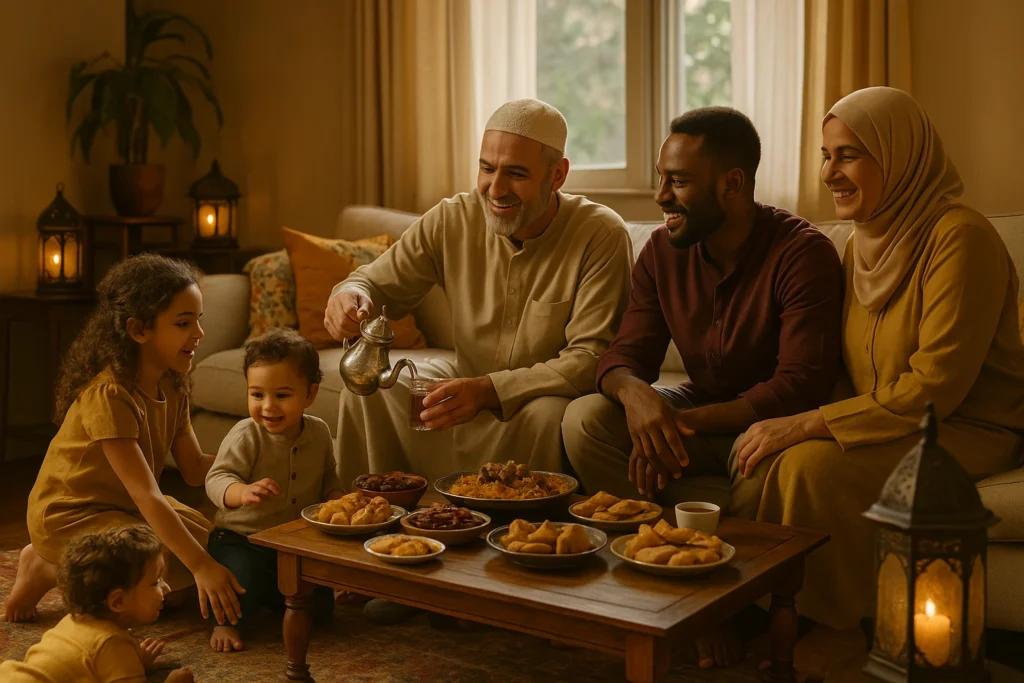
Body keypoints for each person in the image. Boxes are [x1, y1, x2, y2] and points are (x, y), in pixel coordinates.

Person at [735, 86, 1024, 634]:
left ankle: (834, 631)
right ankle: (743, 614)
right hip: (887, 422)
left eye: (848, 155)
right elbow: (845, 369)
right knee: (769, 460)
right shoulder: (858, 243)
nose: (829, 174)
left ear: (900, 156)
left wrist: (809, 425)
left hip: (964, 429)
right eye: (826, 155)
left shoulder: (961, 239)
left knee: (810, 469)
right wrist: (790, 422)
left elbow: (934, 387)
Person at [324, 98, 632, 485]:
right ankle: (371, 509)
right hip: (463, 386)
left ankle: (523, 519)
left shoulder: (601, 234)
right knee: (369, 391)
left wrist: (488, 391)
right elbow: (375, 283)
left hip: (537, 401)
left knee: (550, 414)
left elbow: (590, 358)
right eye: (487, 168)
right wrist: (350, 295)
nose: (495, 189)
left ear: (557, 175)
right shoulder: (451, 218)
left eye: (516, 174)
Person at [562, 107, 844, 519]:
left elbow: (798, 387)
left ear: (732, 183)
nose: (660, 196)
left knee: (763, 465)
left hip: (770, 424)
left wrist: (674, 422)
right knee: (583, 419)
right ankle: (648, 534)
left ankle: (727, 553)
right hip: (697, 410)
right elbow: (624, 356)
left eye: (678, 182)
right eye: (661, 178)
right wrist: (636, 396)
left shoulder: (803, 254)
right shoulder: (661, 252)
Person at [3, 254, 244, 628]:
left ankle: (67, 567)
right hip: (70, 515)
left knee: (192, 569)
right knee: (160, 583)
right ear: (139, 330)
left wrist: (250, 462)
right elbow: (147, 495)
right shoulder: (110, 395)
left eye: (199, 320)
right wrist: (201, 567)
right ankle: (44, 567)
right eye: (183, 323)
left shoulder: (173, 384)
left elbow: (195, 469)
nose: (199, 333)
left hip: (124, 508)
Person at [204, 328, 342, 652]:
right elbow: (217, 477)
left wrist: (338, 500)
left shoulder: (320, 433)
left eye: (281, 395)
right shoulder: (246, 435)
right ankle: (224, 623)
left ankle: (277, 600)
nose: (268, 406)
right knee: (238, 581)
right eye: (257, 395)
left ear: (310, 395)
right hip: (241, 540)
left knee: (321, 609)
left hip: (293, 545)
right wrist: (241, 492)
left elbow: (329, 480)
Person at [0, 525, 195, 682]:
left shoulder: (74, 620)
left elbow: (90, 664)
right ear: (117, 601)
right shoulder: (113, 644)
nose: (167, 588)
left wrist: (130, 664)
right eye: (156, 582)